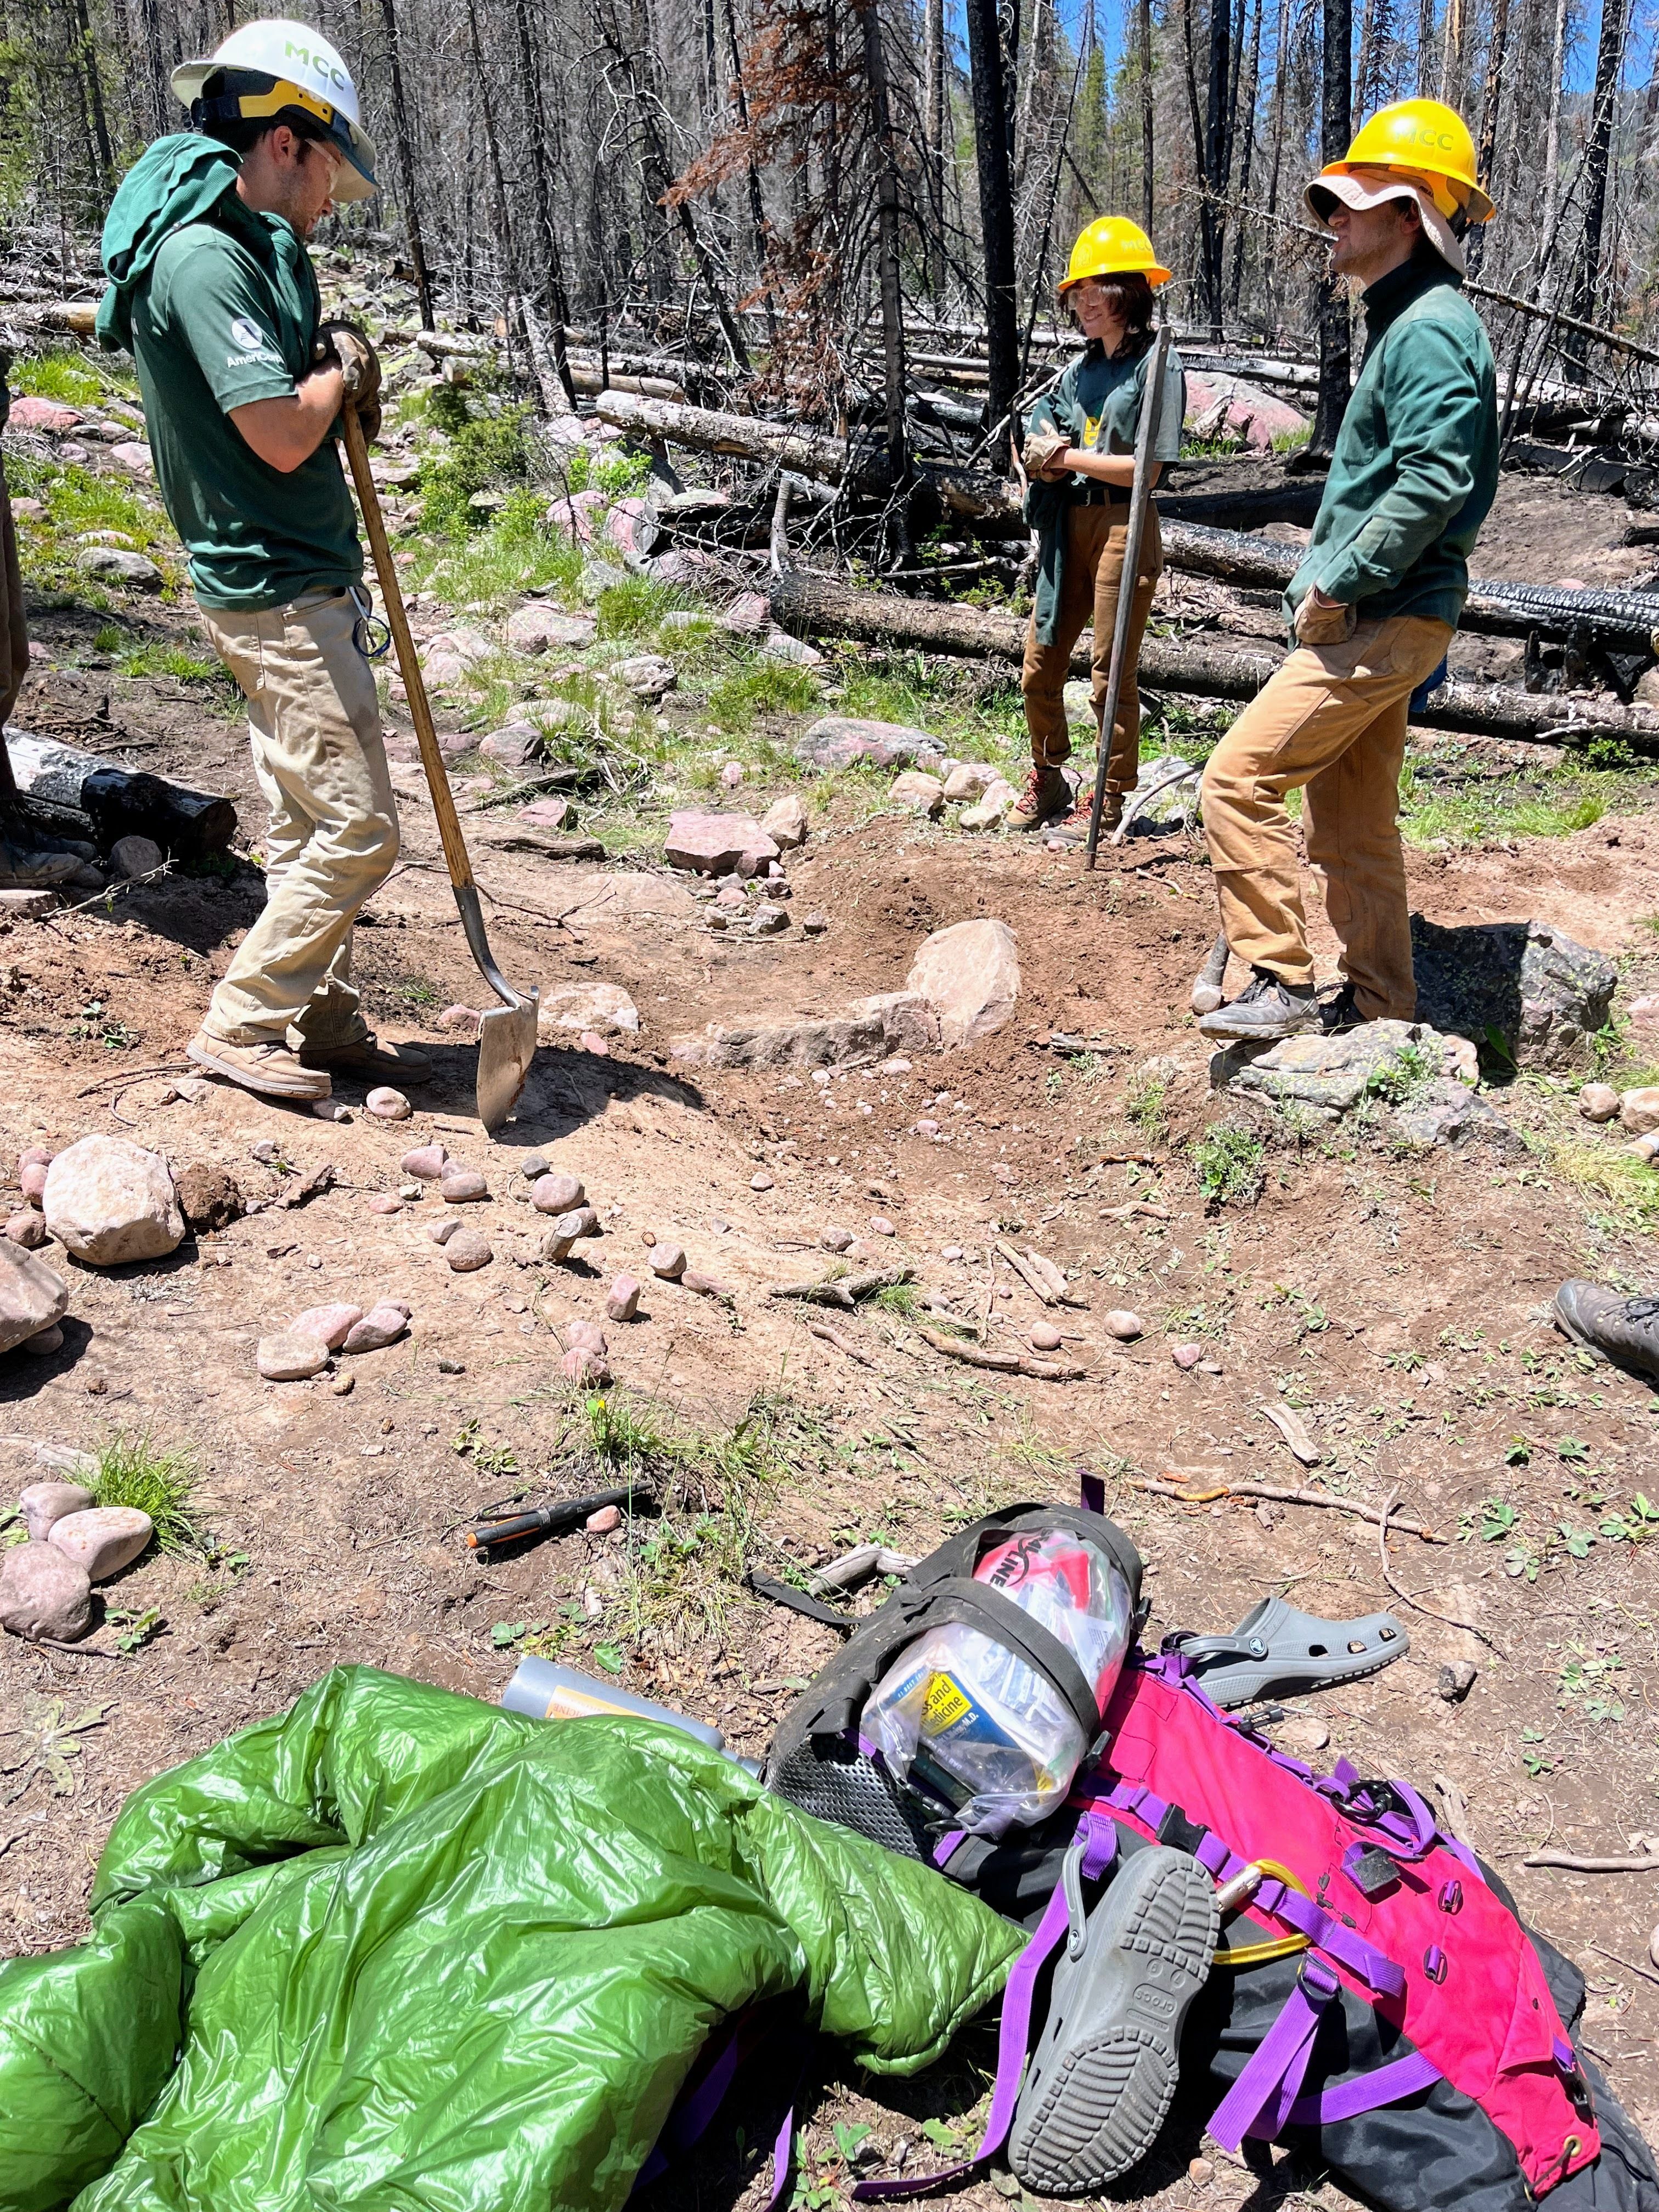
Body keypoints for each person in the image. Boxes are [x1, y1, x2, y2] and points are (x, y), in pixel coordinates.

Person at [95, 18, 425, 1103]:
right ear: (285, 139)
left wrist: (338, 381)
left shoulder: (246, 250)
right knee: (359, 829)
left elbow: (301, 422)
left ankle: (322, 1019)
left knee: (301, 821)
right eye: (333, 166)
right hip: (273, 588)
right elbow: (284, 432)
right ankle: (242, 1024)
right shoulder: (201, 260)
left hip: (290, 576)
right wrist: (339, 382)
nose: (335, 199)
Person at [1198, 99, 1499, 1042]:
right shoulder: (1409, 322)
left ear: (1410, 212)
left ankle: (1280, 981)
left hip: (1380, 613)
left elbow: (1433, 483)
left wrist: (1339, 580)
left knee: (1233, 781)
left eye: (1350, 201)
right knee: (1350, 831)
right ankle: (1378, 1007)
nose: (1330, 218)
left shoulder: (1428, 329)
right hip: (1390, 610)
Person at [1010, 218, 1186, 837]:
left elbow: (1150, 467)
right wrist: (1038, 460)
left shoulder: (1157, 363)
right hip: (1067, 525)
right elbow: (1035, 434)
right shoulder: (1075, 372)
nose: (1085, 301)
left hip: (1123, 522)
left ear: (1131, 292)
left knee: (1111, 670)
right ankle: (1049, 774)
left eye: (1099, 287)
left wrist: (1063, 458)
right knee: (1041, 660)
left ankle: (1109, 794)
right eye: (1078, 290)